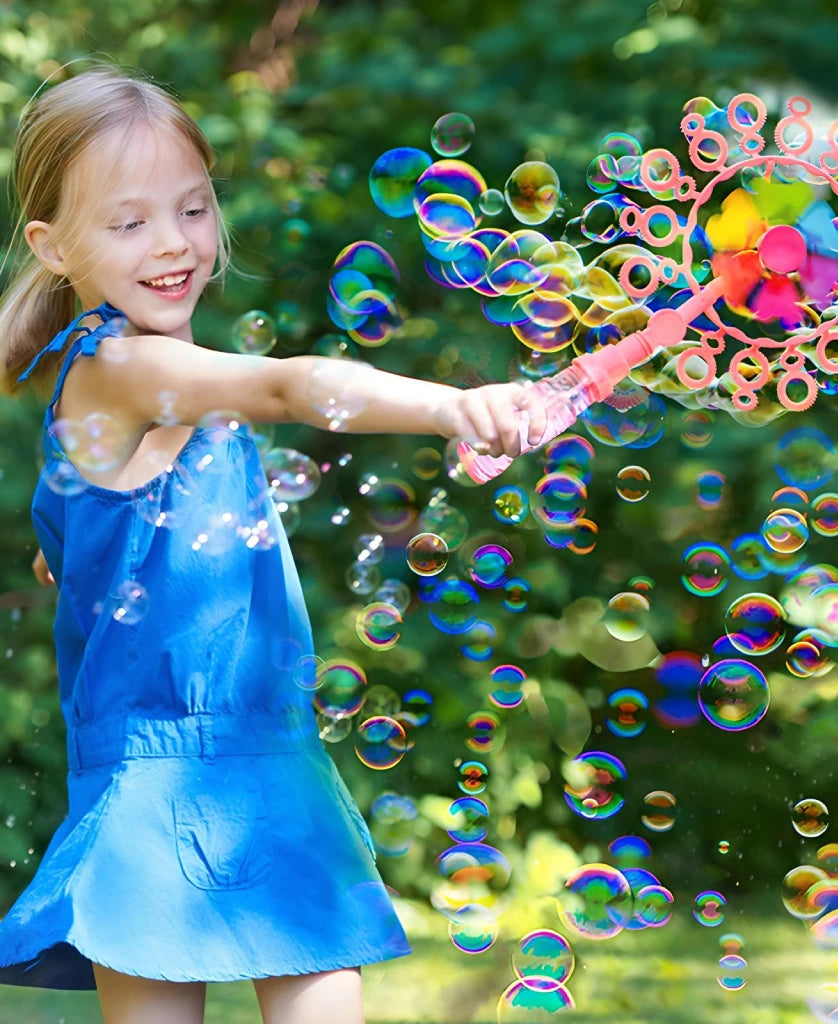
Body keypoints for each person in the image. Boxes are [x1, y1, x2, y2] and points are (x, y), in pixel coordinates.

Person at [0, 63, 547, 1024]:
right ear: (52, 246)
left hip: (268, 754)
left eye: (194, 208)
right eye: (129, 223)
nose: (174, 244)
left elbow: (85, 536)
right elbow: (293, 386)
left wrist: (74, 554)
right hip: (160, 774)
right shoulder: (125, 368)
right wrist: (455, 406)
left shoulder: (126, 386)